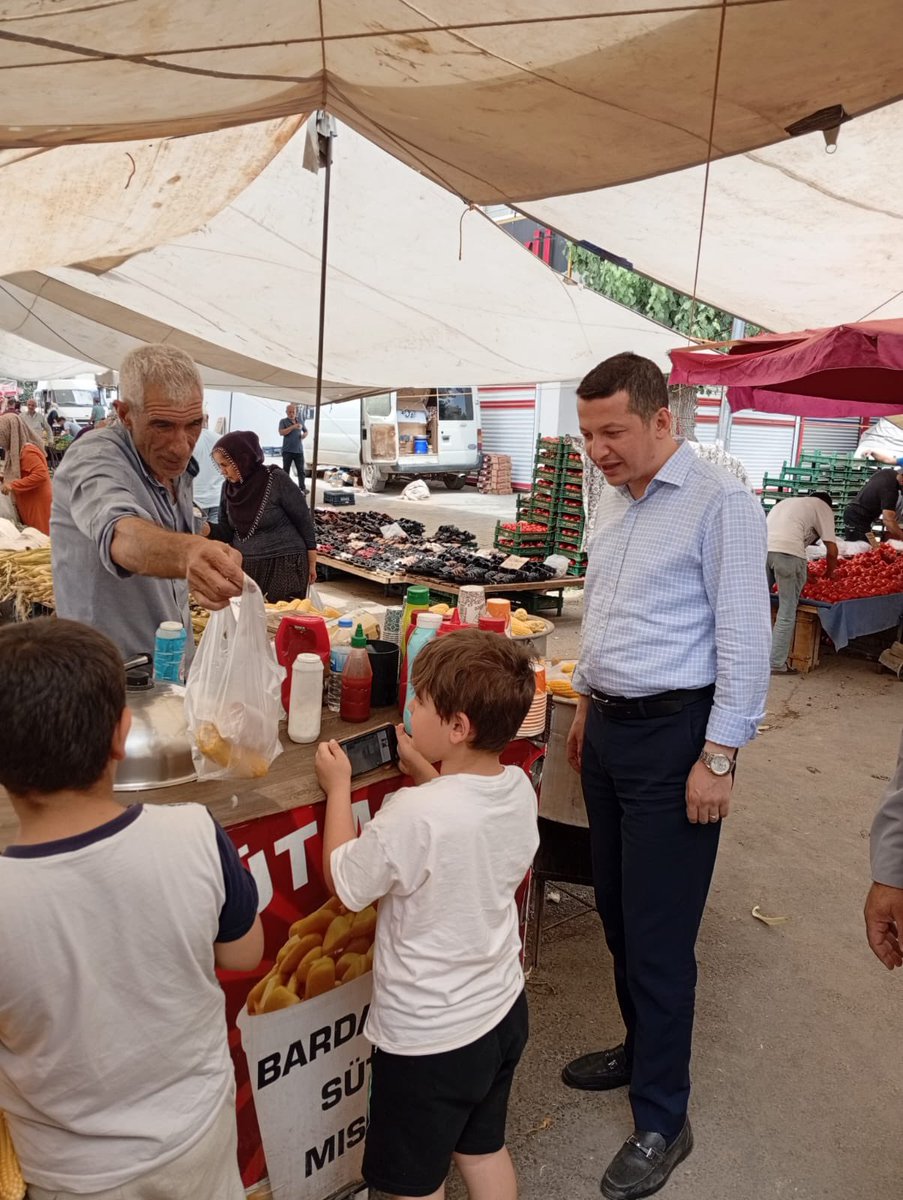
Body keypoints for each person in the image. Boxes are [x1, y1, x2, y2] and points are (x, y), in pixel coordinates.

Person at [562, 353, 771, 1200]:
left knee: (657, 936)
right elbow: (603, 607)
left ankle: (661, 1117)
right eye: (585, 436)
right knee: (613, 905)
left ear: (660, 420)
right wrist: (582, 704)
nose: (597, 451)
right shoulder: (611, 500)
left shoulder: (719, 503)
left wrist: (717, 757)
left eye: (611, 432)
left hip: (675, 740)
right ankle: (640, 1046)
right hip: (610, 730)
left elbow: (745, 642)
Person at [0, 617, 263, 1200]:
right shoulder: (195, 831)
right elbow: (245, 952)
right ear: (123, 734)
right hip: (199, 1134)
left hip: (74, 1172)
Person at [315, 629, 538, 1200]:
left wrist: (338, 787)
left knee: (410, 1183)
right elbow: (462, 826)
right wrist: (423, 767)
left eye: (418, 701)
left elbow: (346, 881)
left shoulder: (413, 814)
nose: (409, 707)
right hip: (501, 1012)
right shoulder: (516, 788)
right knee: (483, 1148)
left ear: (458, 726)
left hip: (428, 1042)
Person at [50, 344, 244, 663]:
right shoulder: (95, 457)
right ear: (125, 414)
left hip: (169, 669)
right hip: (109, 677)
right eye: (162, 425)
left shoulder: (173, 469)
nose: (181, 447)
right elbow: (122, 534)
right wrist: (188, 552)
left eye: (194, 424)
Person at [212, 430, 317, 601]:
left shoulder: (275, 479)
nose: (222, 471)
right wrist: (204, 528)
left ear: (242, 460)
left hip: (284, 567)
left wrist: (312, 562)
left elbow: (303, 519)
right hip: (248, 570)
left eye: (225, 465)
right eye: (219, 466)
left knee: (278, 622)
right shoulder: (228, 489)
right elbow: (226, 531)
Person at [766, 491, 838, 675]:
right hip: (787, 554)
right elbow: (831, 549)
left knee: (759, 607)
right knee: (787, 611)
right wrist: (830, 573)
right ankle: (776, 663)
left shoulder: (789, 503)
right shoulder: (823, 507)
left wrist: (804, 573)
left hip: (763, 550)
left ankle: (750, 656)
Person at [0, 412, 52, 534]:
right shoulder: (15, 451)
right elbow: (20, 474)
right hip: (28, 500)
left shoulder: (27, 451)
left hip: (37, 503)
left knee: (42, 538)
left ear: (9, 433)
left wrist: (13, 485)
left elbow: (41, 475)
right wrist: (3, 479)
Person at [842, 467, 903, 542]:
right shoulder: (890, 491)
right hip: (856, 518)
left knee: (873, 547)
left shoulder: (888, 472)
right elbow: (888, 521)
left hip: (864, 519)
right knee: (861, 548)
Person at [192, 416, 224, 523]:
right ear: (207, 419)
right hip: (217, 497)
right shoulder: (220, 439)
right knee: (216, 534)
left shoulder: (189, 441)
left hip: (196, 499)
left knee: (198, 536)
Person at [279, 403, 308, 491]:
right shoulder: (283, 421)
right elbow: (281, 432)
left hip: (299, 451)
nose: (291, 414)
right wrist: (293, 427)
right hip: (287, 451)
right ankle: (285, 489)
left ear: (296, 412)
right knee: (286, 471)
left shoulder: (300, 420)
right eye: (289, 412)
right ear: (286, 412)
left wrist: (304, 435)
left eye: (293, 412)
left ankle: (302, 488)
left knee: (301, 471)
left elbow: (306, 431)